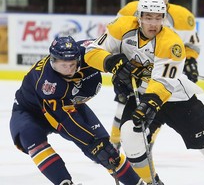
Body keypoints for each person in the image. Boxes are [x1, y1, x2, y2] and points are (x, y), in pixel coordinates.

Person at [85, 0, 204, 185]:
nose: (153, 23)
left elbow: (163, 83)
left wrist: (149, 104)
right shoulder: (121, 27)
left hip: (175, 98)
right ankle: (153, 183)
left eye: (158, 17)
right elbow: (91, 51)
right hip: (140, 94)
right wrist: (111, 62)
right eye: (148, 17)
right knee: (130, 138)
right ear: (139, 16)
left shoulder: (172, 43)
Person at [9, 36, 145, 185]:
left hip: (70, 105)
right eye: (63, 65)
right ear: (52, 61)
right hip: (31, 113)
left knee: (108, 151)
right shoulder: (48, 83)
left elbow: (115, 45)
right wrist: (92, 142)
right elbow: (65, 119)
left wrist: (119, 71)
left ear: (78, 60)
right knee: (31, 137)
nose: (68, 70)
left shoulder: (89, 52)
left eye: (72, 64)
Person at [110, 0, 200, 151]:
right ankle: (114, 141)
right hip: (135, 69)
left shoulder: (183, 16)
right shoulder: (130, 9)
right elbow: (117, 38)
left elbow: (190, 45)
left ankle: (149, 140)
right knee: (123, 102)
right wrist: (121, 63)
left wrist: (190, 61)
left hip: (163, 69)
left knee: (156, 106)